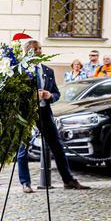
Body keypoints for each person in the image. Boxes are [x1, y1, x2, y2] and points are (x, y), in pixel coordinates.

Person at [15, 36, 89, 193]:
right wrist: (30, 95)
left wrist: (50, 96)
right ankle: (25, 183)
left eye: (40, 48)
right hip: (26, 113)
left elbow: (56, 93)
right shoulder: (20, 71)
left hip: (44, 112)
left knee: (57, 145)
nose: (40, 51)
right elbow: (16, 94)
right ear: (27, 51)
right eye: (36, 48)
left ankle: (68, 180)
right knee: (23, 148)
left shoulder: (48, 71)